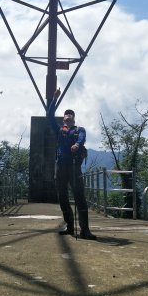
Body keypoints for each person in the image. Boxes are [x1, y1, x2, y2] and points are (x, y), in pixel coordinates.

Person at [47, 87, 96, 240]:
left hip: (74, 167)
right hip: (60, 167)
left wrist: (78, 145)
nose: (68, 115)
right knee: (62, 197)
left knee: (80, 197)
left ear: (73, 118)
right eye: (66, 114)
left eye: (70, 114)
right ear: (63, 119)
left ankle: (85, 230)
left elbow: (82, 138)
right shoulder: (59, 130)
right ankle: (69, 226)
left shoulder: (79, 130)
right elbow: (49, 116)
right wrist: (54, 98)